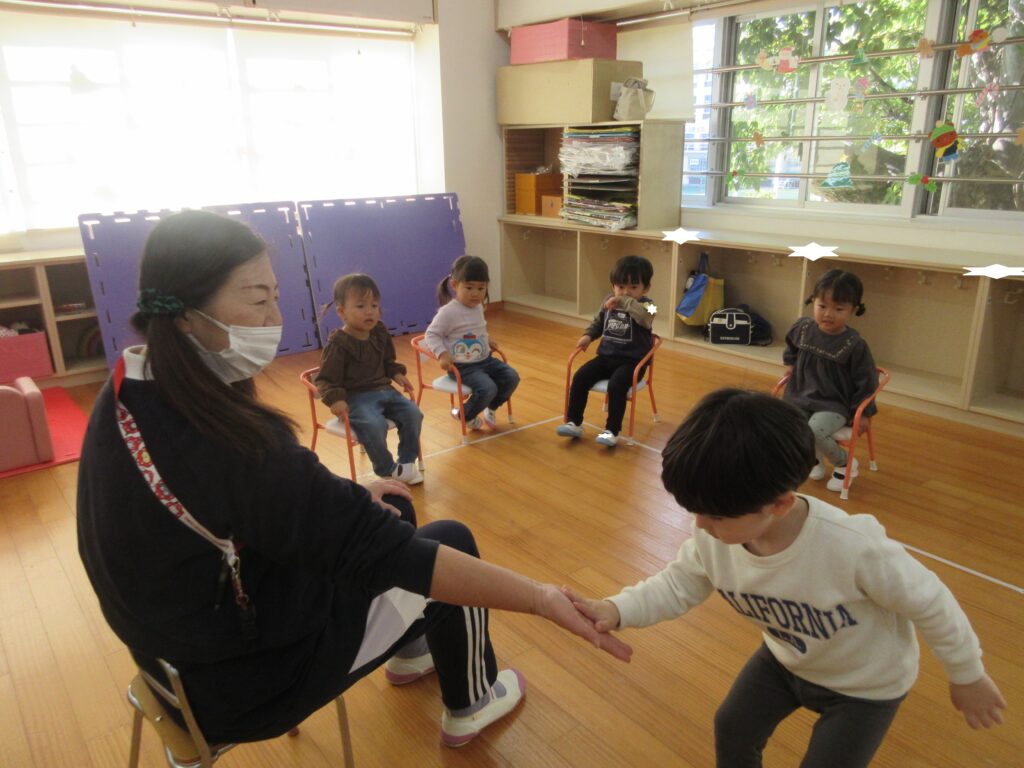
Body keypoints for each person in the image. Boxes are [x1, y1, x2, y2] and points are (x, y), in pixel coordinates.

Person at [76, 211, 631, 750]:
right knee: (450, 541)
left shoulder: (130, 387)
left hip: (175, 657)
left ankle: (412, 653)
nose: (275, 318)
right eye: (258, 299)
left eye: (275, 296)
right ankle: (473, 701)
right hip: (246, 685)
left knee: (393, 503)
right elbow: (363, 538)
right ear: (183, 313)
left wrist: (346, 499)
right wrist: (538, 597)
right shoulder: (238, 447)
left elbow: (258, 506)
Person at [565, 389, 1007, 768]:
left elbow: (932, 602)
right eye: (695, 512)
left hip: (865, 687)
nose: (700, 525)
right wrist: (616, 609)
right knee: (732, 727)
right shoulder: (717, 534)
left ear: (779, 504)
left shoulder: (854, 548)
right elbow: (679, 583)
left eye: (714, 515)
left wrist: (967, 674)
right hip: (785, 659)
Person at [315, 273, 424, 485]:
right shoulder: (339, 344)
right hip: (356, 398)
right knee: (374, 425)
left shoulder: (379, 331)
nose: (370, 311)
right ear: (341, 312)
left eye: (374, 305)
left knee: (413, 414)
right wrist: (336, 399)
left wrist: (395, 373)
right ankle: (387, 469)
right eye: (360, 306)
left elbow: (388, 360)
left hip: (386, 391)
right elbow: (326, 379)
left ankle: (406, 464)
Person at [783, 269, 878, 493]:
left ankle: (845, 463)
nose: (828, 314)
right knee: (789, 427)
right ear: (813, 302)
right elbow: (791, 343)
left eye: (839, 309)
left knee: (815, 431)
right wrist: (791, 362)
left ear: (853, 310)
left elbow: (867, 381)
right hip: (799, 395)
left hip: (833, 403)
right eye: (822, 306)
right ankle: (814, 459)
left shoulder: (854, 344)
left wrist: (864, 413)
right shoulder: (803, 328)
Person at [557, 255, 656, 447]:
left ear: (646, 288)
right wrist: (588, 336)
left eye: (633, 287)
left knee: (617, 385)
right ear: (613, 285)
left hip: (632, 363)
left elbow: (645, 319)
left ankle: (612, 431)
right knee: (580, 377)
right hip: (606, 358)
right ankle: (574, 422)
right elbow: (599, 322)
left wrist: (623, 301)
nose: (625, 292)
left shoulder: (649, 305)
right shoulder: (608, 301)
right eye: (620, 287)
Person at [424, 255, 519, 432]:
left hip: (485, 360)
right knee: (488, 387)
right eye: (469, 287)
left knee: (512, 377)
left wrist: (486, 339)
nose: (475, 293)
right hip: (463, 366)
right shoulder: (448, 312)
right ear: (454, 285)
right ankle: (465, 415)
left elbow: (477, 328)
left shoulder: (478, 307)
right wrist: (442, 354)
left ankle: (491, 407)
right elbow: (432, 334)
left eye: (481, 288)